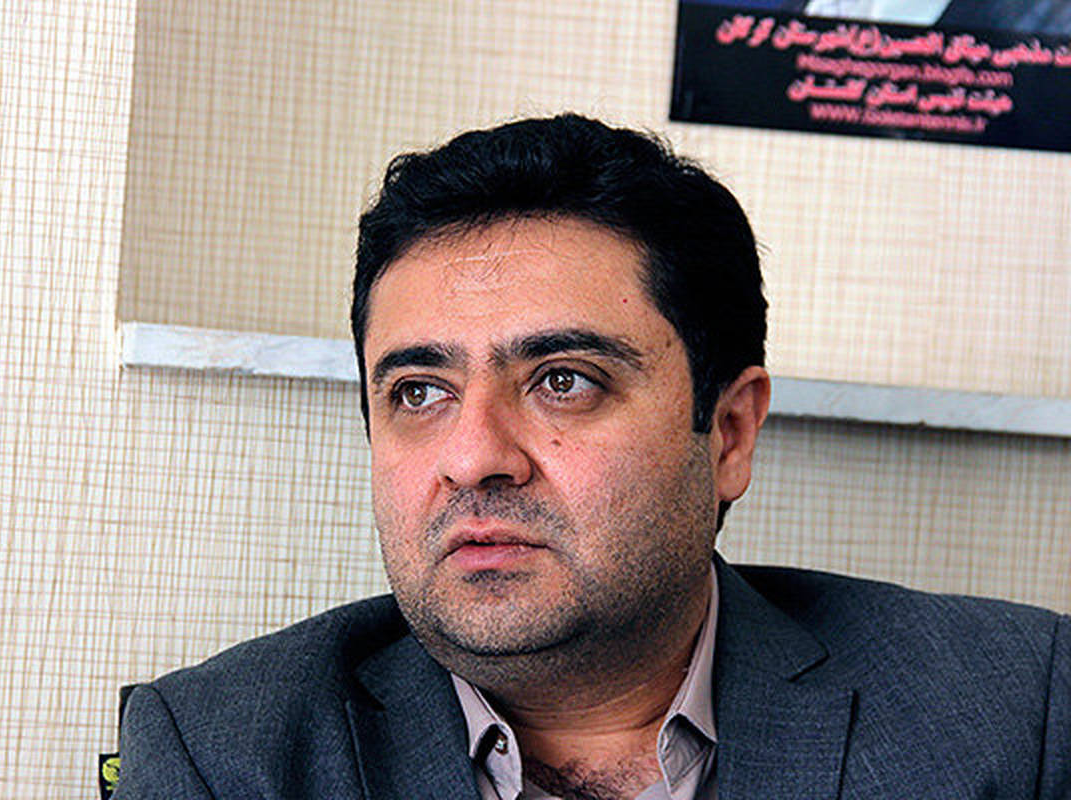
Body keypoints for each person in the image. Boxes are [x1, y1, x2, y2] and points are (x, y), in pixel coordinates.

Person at [114, 114, 1069, 799]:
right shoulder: (225, 755)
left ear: (729, 432)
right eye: (419, 393)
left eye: (563, 380)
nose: (473, 458)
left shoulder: (1014, 711)